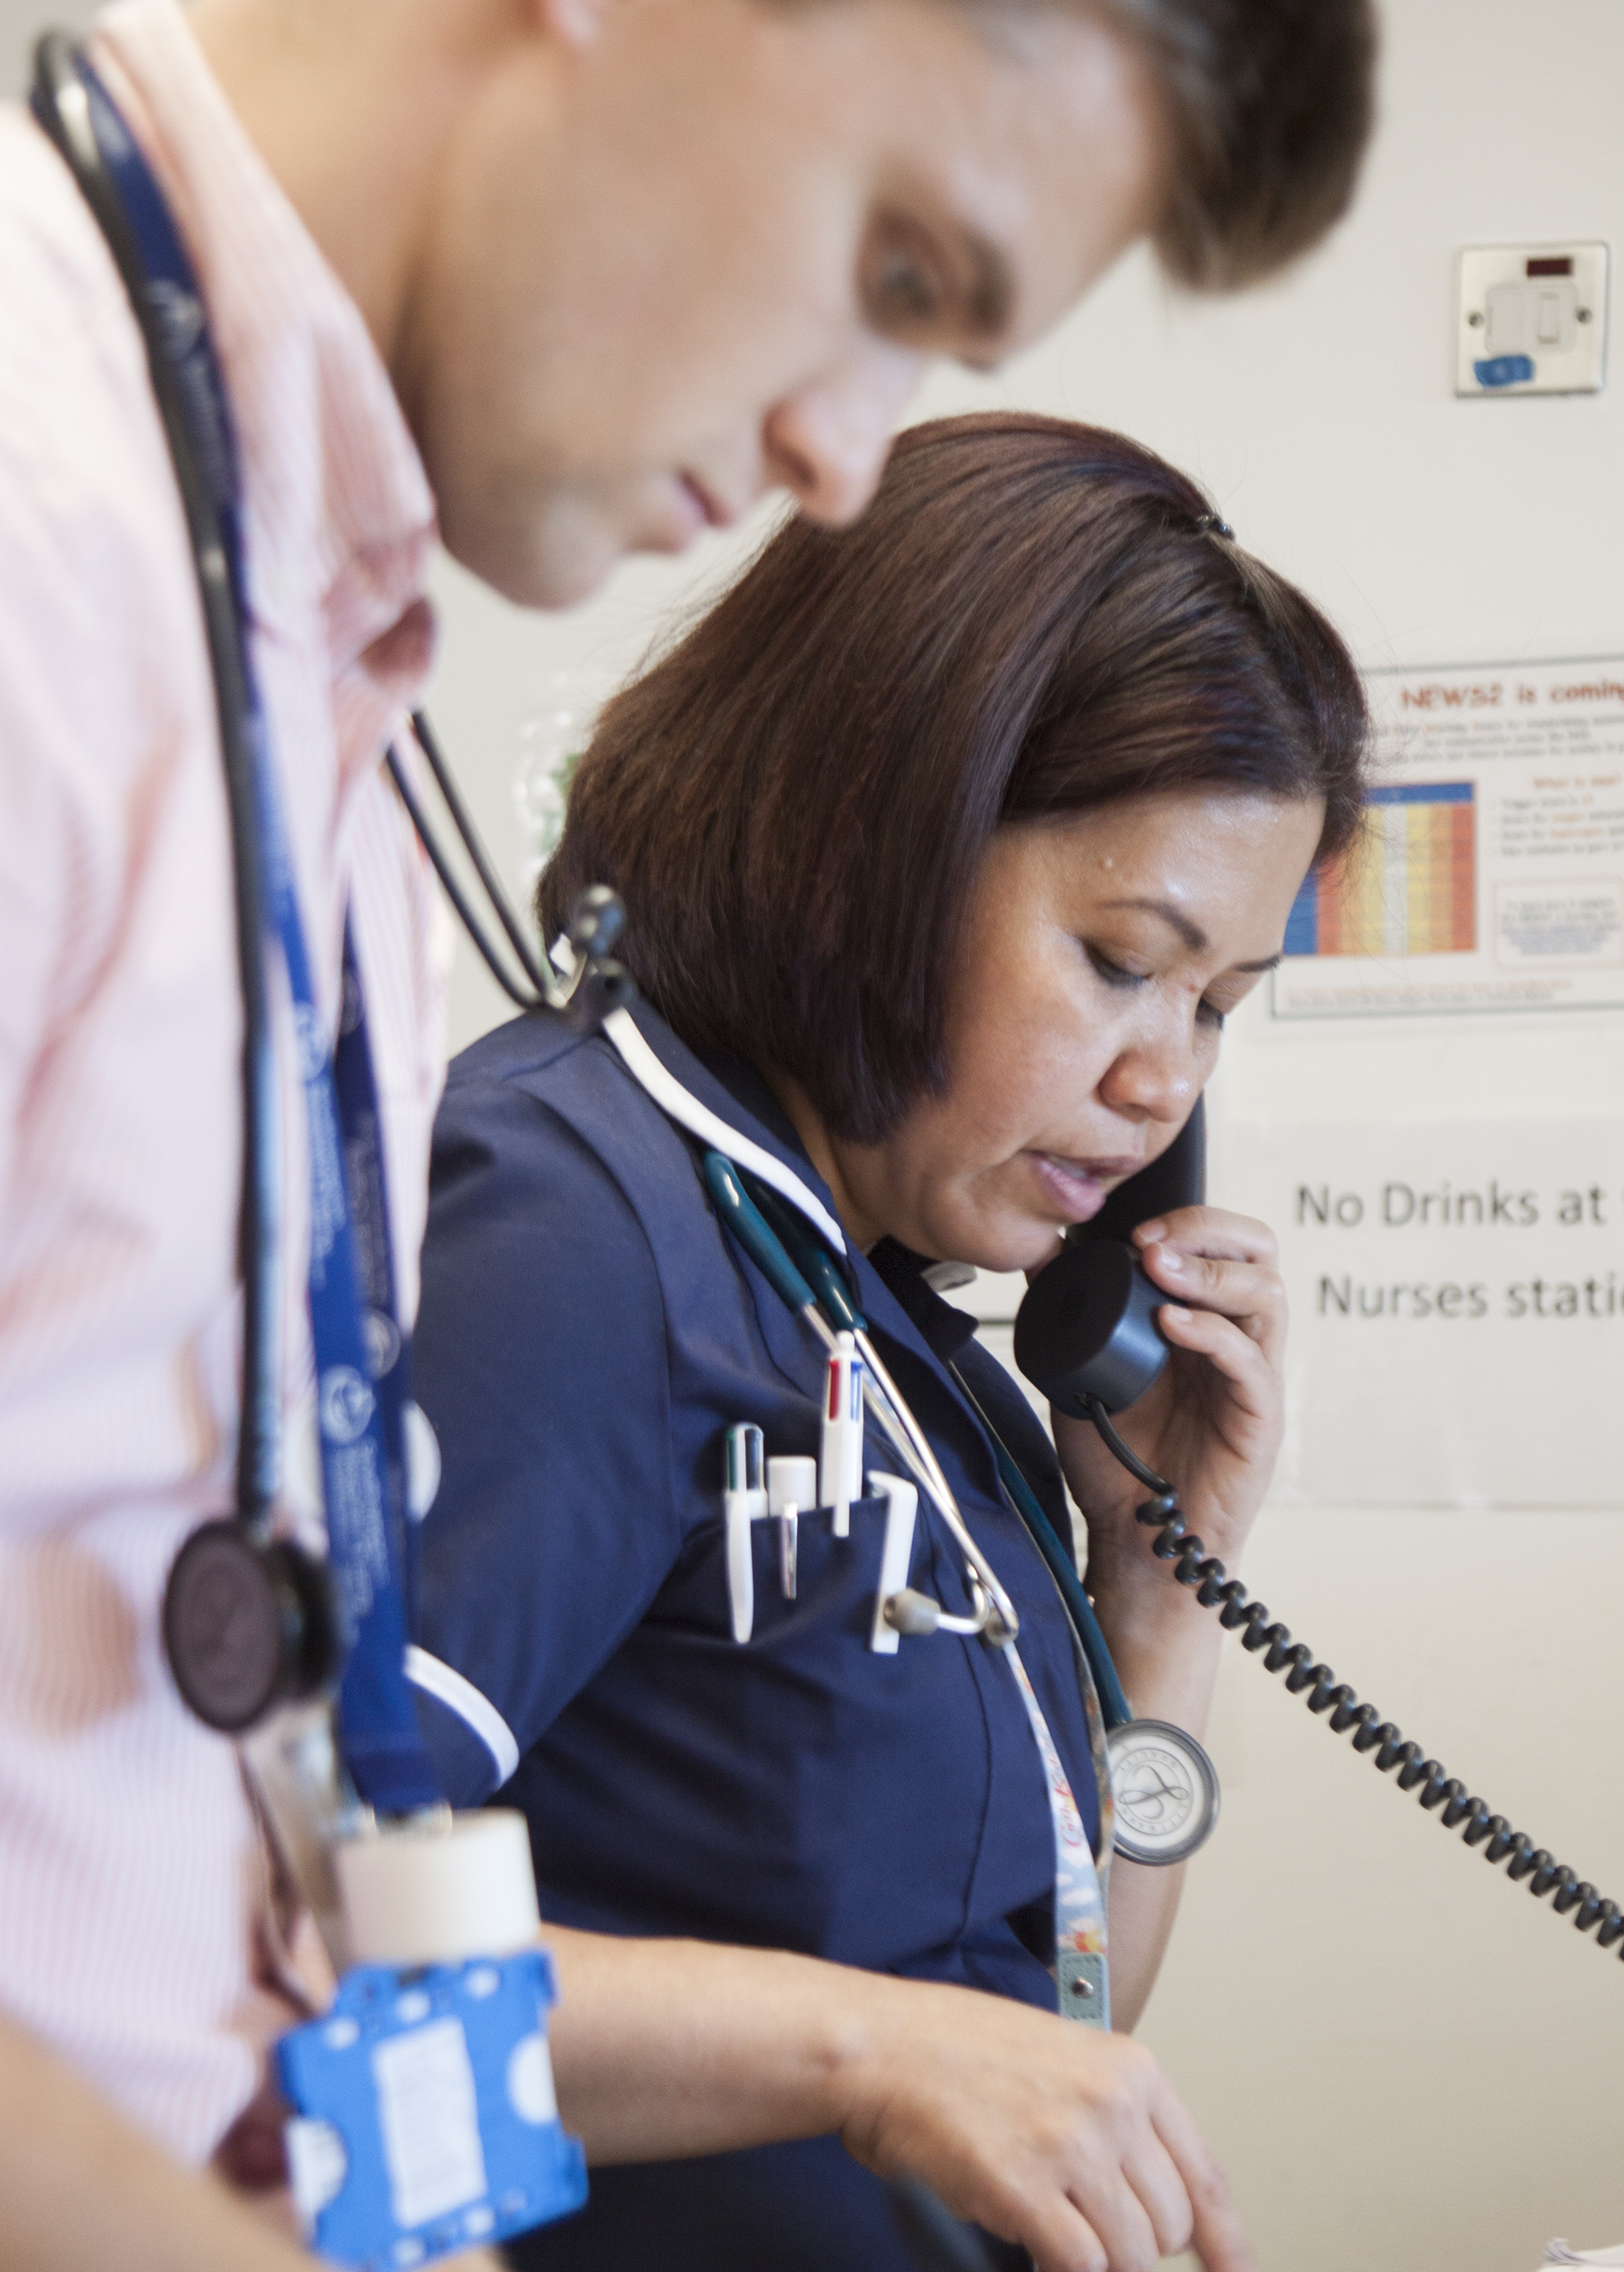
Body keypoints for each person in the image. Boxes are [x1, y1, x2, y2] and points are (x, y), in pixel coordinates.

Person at [0, 0, 1374, 2261]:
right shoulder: (50, 546)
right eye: (896, 274)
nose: (849, 457)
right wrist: (844, 2043)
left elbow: (280, 1906)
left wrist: (1145, 1608)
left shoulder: (299, 673)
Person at [406, 411, 1371, 2272]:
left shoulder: (903, 1324)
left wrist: (1157, 1592)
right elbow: (267, 1951)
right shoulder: (568, 1223)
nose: (1161, 1076)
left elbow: (1051, 2028)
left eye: (1220, 1003)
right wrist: (858, 2051)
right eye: (1120, 959)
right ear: (877, 849)